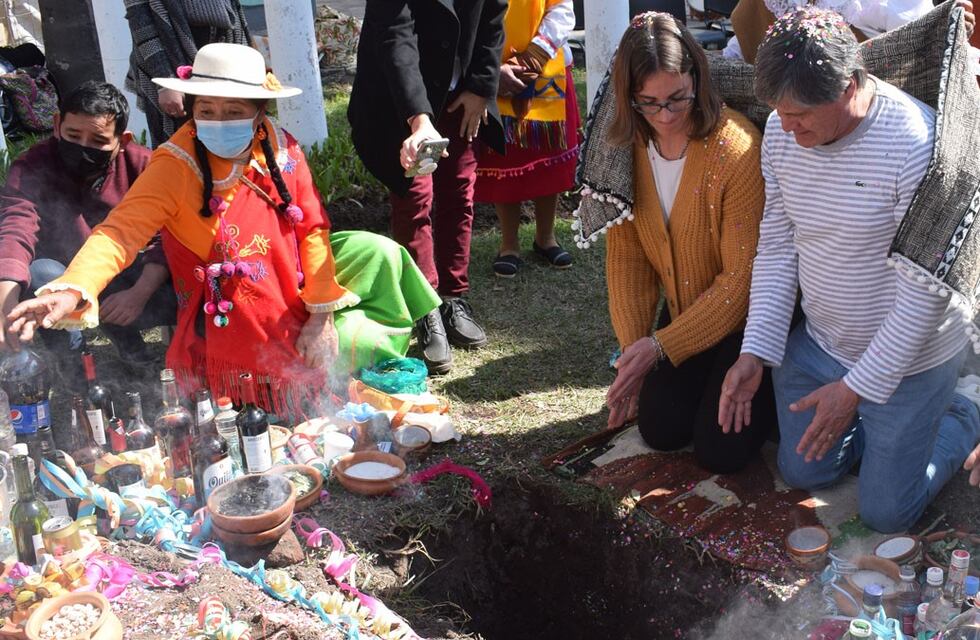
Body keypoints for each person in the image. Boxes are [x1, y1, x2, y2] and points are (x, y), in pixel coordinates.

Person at [6, 44, 441, 419]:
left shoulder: (281, 145)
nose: (218, 120)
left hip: (288, 266)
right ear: (192, 109)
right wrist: (73, 288)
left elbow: (310, 227)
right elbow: (119, 232)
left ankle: (429, 322)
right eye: (206, 110)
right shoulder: (173, 164)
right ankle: (286, 376)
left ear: (259, 112)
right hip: (223, 292)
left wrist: (322, 314)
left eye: (233, 111)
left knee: (378, 250)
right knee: (320, 344)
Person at [719, 7, 980, 532]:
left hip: (915, 358)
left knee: (887, 514)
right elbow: (778, 243)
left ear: (852, 84)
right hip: (823, 344)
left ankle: (965, 407)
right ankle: (878, 427)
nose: (786, 129)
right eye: (779, 112)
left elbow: (923, 295)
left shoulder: (917, 145)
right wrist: (756, 350)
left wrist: (856, 389)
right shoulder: (780, 131)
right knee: (803, 473)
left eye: (801, 115)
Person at [592, 12, 775, 474]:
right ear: (629, 98)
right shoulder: (623, 148)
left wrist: (659, 347)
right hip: (684, 312)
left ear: (697, 76)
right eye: (649, 103)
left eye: (678, 97)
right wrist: (635, 354)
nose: (667, 115)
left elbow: (742, 282)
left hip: (748, 324)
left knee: (720, 452)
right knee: (660, 429)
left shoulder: (736, 150)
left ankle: (773, 389)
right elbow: (628, 260)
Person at [348, 0, 507, 375]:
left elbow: (493, 19)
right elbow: (394, 35)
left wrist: (481, 87)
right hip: (403, 97)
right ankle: (426, 309)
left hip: (461, 91)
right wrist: (419, 119)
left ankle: (454, 296)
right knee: (415, 199)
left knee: (460, 192)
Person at [0, 80, 175, 373]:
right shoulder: (32, 167)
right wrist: (5, 302)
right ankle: (71, 362)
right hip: (61, 277)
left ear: (123, 141)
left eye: (98, 141)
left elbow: (168, 233)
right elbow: (16, 228)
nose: (83, 148)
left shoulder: (145, 166)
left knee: (182, 277)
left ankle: (155, 348)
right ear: (56, 125)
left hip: (123, 274)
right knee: (39, 273)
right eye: (73, 135)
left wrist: (139, 293)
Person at [474, 0, 581, 277]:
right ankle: (508, 245)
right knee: (504, 155)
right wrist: (491, 68)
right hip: (495, 68)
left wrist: (535, 55)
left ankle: (546, 238)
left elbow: (561, 8)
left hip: (546, 64)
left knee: (547, 155)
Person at [124, 0, 251, 147]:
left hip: (221, 48)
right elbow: (139, 18)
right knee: (180, 143)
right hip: (169, 56)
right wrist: (165, 82)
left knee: (231, 130)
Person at [724, 0, 976, 64]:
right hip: (778, 133)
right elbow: (743, 46)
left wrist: (947, 28)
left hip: (872, 134)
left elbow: (924, 42)